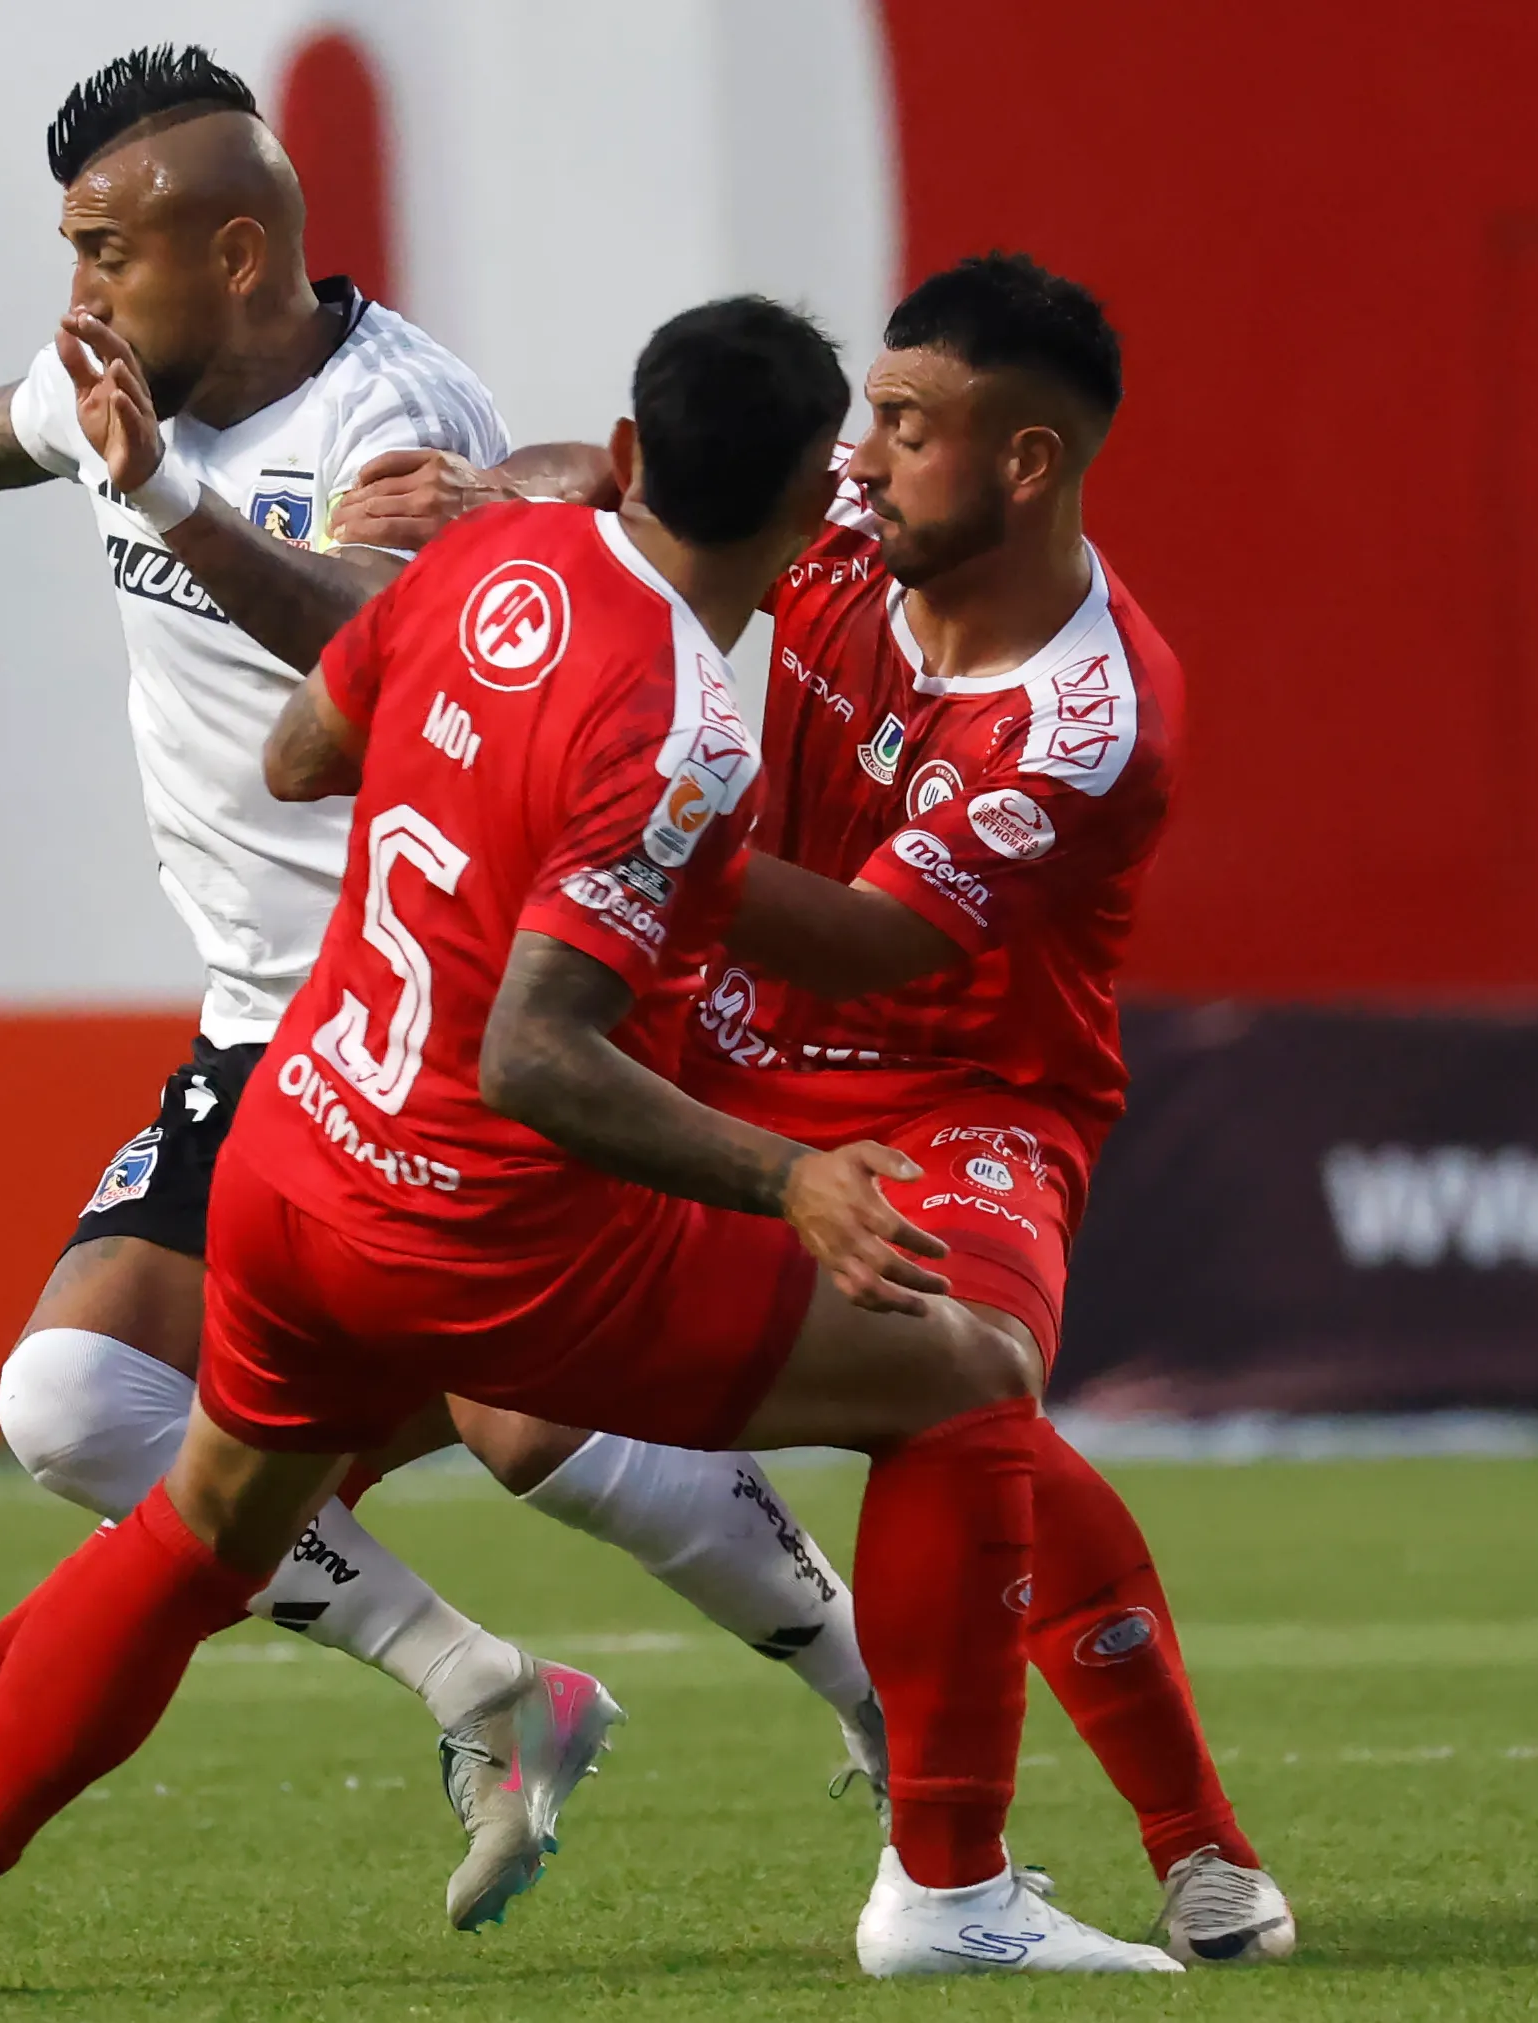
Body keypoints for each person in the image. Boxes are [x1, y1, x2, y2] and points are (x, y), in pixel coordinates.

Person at [0, 44, 869, 1922]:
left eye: (107, 249)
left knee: (513, 1421)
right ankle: (485, 1682)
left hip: (419, 1010)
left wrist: (205, 516)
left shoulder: (390, 420)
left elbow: (409, 676)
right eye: (70, 249)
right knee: (84, 1408)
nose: (77, 293)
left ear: (239, 250)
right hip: (259, 1020)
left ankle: (868, 1693)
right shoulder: (123, 384)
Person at [0, 296, 1186, 1996]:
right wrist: (785, 1176)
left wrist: (463, 758)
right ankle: (947, 1882)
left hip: (299, 1159)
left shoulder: (478, 568)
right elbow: (536, 1052)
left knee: (196, 1528)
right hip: (483, 1221)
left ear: (616, 457)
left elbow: (301, 752)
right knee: (957, 1371)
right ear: (798, 520)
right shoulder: (688, 721)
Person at [329, 251, 1295, 1964]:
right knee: (350, 1358)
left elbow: (871, 945)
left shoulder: (1091, 712)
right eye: (864, 419)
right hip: (728, 1044)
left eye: (905, 427)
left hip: (965, 1093)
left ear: (1025, 466)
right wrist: (497, 487)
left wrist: (624, 822)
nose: (855, 458)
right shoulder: (849, 542)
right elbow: (644, 485)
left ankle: (1152, 1848)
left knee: (962, 1368)